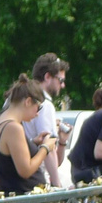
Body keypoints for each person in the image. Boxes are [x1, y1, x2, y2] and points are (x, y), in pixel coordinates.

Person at [0, 75, 57, 194]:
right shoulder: (14, 128)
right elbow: (25, 170)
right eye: (38, 108)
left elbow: (8, 155)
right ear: (28, 101)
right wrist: (45, 148)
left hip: (13, 197)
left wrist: (33, 143)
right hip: (26, 200)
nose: (37, 114)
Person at [24, 53, 69, 186]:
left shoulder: (17, 99)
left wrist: (62, 142)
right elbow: (48, 149)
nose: (62, 86)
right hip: (34, 178)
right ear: (47, 76)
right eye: (60, 80)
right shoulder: (45, 104)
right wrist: (58, 187)